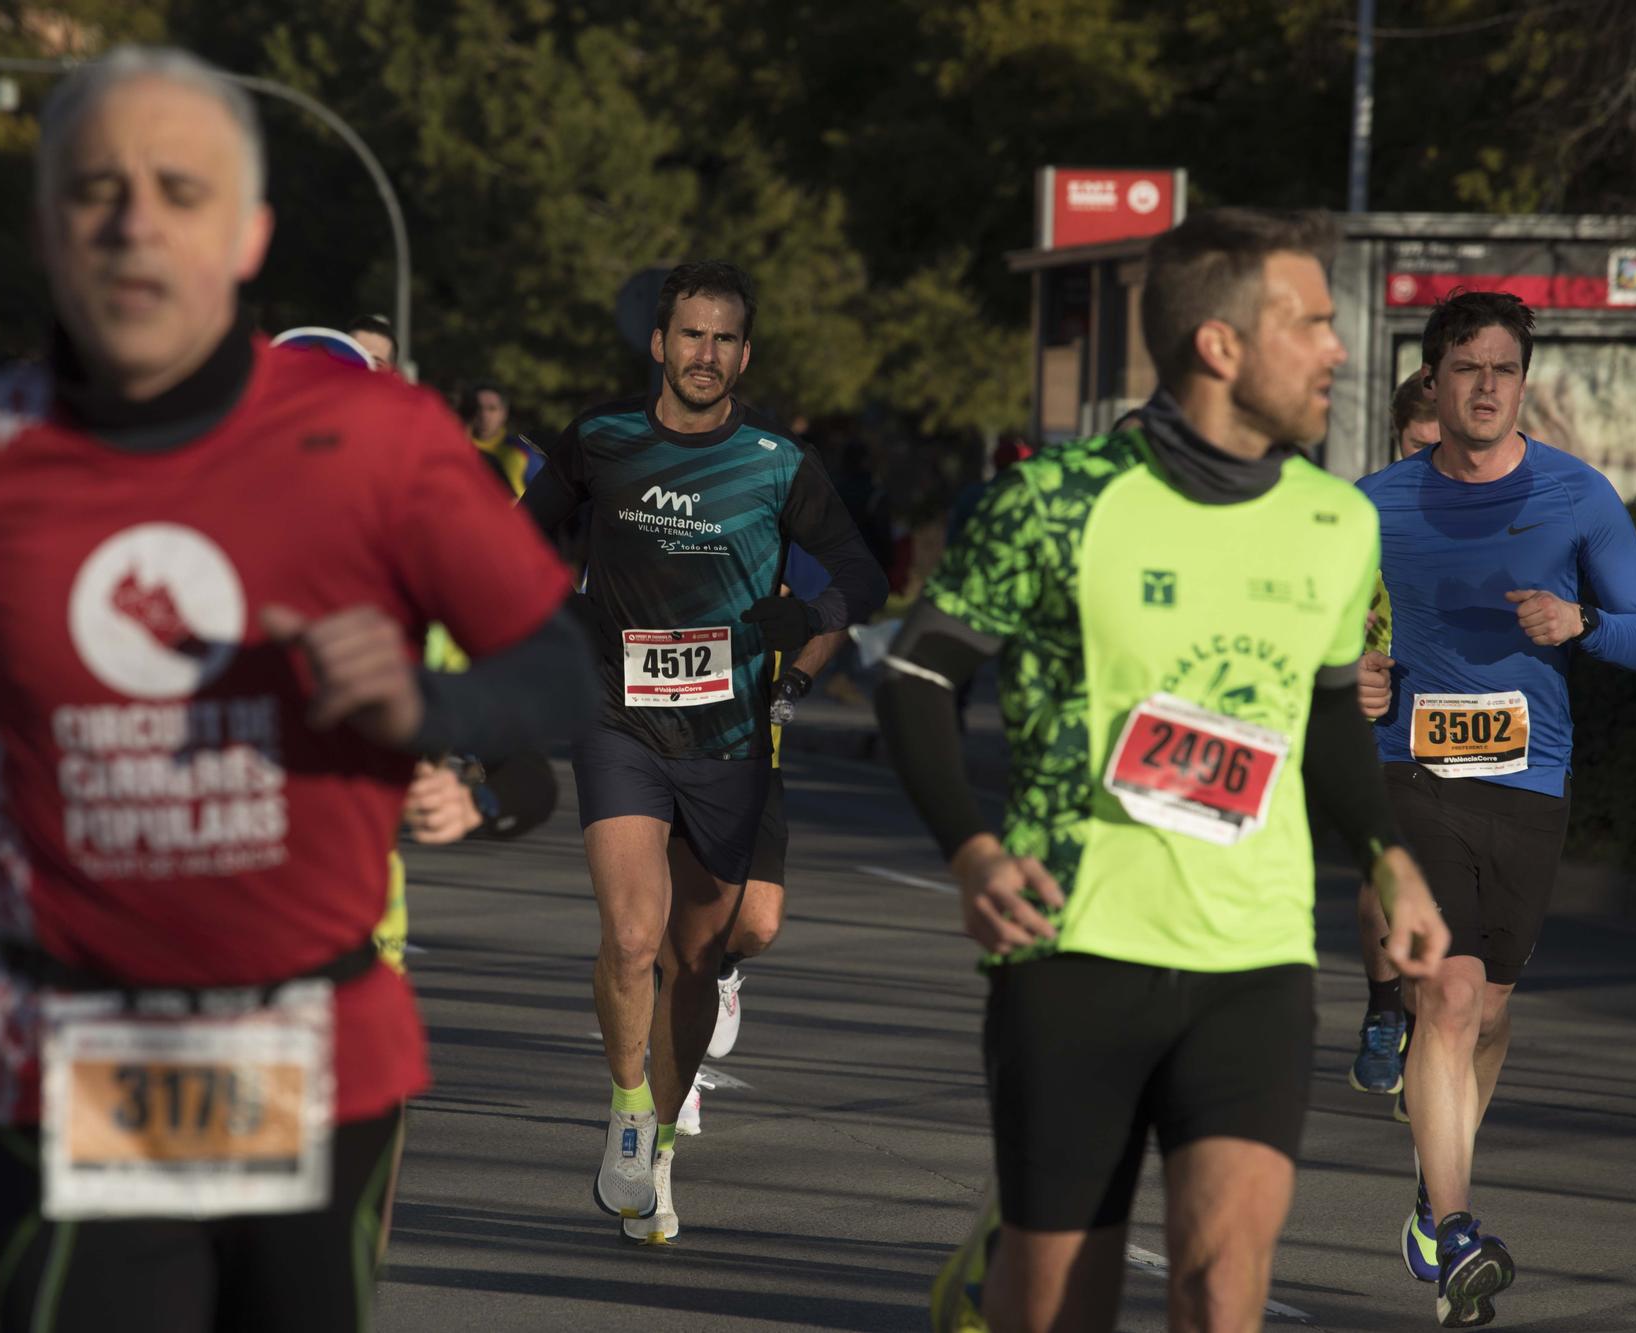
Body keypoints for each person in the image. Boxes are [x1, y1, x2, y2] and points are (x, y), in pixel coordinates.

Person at [0, 45, 595, 1332]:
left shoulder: (382, 439)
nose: (135, 221)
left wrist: (430, 715)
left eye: (179, 189)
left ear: (247, 233)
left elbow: (558, 676)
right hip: (71, 1034)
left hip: (310, 1032)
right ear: (44, 228)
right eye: (97, 188)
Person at [879, 207, 1449, 1333]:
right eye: (1309, 324)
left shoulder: (1335, 522)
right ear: (1218, 345)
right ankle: (997, 1268)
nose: (1339, 349)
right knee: (1053, 1308)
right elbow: (914, 676)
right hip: (1074, 944)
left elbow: (1330, 709)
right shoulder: (1054, 503)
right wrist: (970, 849)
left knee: (1218, 1289)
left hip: (1255, 957)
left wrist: (1386, 858)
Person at [520, 259, 888, 1243]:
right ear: (658, 343)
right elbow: (513, 535)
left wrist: (800, 627)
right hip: (619, 720)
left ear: (743, 354)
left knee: (694, 959)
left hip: (729, 738)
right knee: (632, 937)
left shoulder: (774, 462)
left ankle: (664, 1159)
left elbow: (861, 571)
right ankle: (630, 1113)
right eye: (690, 335)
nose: (705, 354)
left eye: (724, 339)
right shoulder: (601, 439)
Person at [1357, 289, 1636, 1327]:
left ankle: (1428, 1189)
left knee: (1487, 1010)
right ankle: (1452, 1232)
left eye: (1501, 368)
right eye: (1465, 368)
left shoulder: (1577, 497)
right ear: (1433, 381)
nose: (1484, 386)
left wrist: (1580, 620)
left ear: (1519, 380)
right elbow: (1310, 633)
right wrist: (1345, 677)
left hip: (1527, 782)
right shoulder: (1372, 505)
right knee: (1443, 995)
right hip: (1409, 773)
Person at [674, 544, 853, 1136]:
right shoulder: (645, 517)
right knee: (661, 928)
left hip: (749, 762)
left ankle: (723, 969)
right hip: (651, 753)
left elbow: (836, 607)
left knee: (756, 924)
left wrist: (796, 680)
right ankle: (677, 1082)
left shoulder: (775, 531)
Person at [1349, 366, 1444, 1102]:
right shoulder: (1368, 507)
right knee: (1385, 868)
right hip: (1384, 711)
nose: (1434, 454)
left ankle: (1431, 1022)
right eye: (1421, 440)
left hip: (1469, 719)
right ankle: (1386, 1011)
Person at [462, 381, 544, 497]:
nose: (484, 415)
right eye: (478, 407)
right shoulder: (451, 449)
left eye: (492, 409)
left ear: (504, 413)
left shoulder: (523, 453)